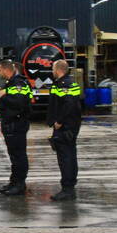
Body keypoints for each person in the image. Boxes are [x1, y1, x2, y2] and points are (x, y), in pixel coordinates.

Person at [0, 59, 33, 196]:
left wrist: (3, 96)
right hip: (10, 124)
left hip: (17, 124)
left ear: (6, 69)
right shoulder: (10, 83)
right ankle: (14, 181)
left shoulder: (18, 83)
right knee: (14, 155)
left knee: (19, 155)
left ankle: (19, 184)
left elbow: (19, 103)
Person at [47, 59, 82, 201]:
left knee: (65, 158)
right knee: (71, 156)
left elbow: (69, 104)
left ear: (58, 70)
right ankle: (70, 186)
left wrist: (59, 121)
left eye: (53, 69)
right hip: (71, 127)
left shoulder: (63, 85)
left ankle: (67, 189)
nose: (52, 71)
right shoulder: (71, 83)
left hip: (65, 127)